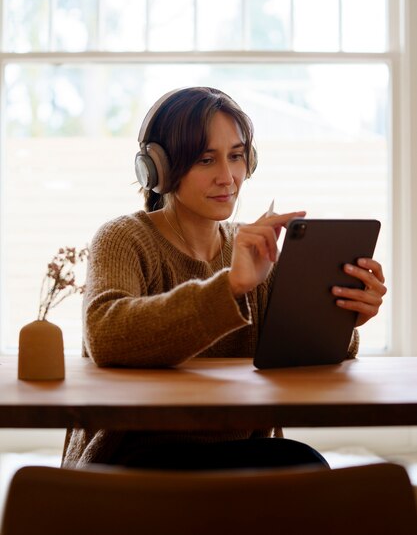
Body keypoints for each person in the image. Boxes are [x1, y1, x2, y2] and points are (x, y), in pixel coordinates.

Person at [62, 86, 386, 469]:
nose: (227, 176)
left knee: (310, 467)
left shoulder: (249, 247)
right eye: (205, 160)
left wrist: (343, 316)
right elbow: (107, 336)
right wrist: (230, 287)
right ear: (158, 170)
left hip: (238, 452)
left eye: (236, 156)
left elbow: (294, 353)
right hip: (131, 456)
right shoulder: (123, 238)